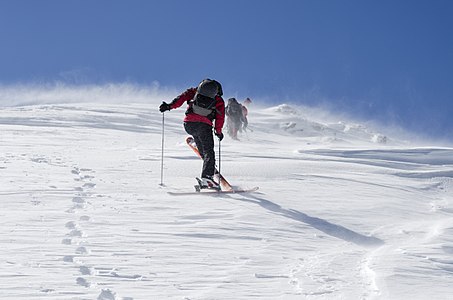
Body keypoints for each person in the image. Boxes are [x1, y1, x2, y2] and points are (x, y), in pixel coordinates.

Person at [159, 79, 225, 189]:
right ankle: (207, 177)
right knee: (209, 151)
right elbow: (220, 117)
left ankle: (208, 165)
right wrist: (218, 132)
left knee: (203, 148)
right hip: (204, 126)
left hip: (189, 124)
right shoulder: (218, 100)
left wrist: (169, 106)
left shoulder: (194, 92)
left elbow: (180, 99)